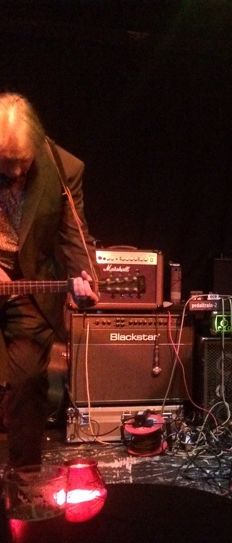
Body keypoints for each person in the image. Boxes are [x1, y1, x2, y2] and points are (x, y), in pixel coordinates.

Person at [0, 92, 98, 467]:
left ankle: (24, 477)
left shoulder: (63, 168)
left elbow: (74, 235)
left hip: (28, 289)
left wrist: (85, 277)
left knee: (28, 381)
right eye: (6, 162)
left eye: (22, 162)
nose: (15, 172)